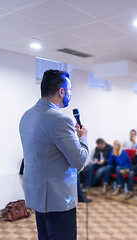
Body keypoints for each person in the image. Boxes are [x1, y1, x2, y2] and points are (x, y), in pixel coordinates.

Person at [19, 69, 89, 239]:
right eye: (70, 90)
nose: (70, 94)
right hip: (58, 200)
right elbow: (79, 161)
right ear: (61, 91)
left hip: (37, 196)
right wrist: (83, 139)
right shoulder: (60, 120)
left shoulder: (27, 116)